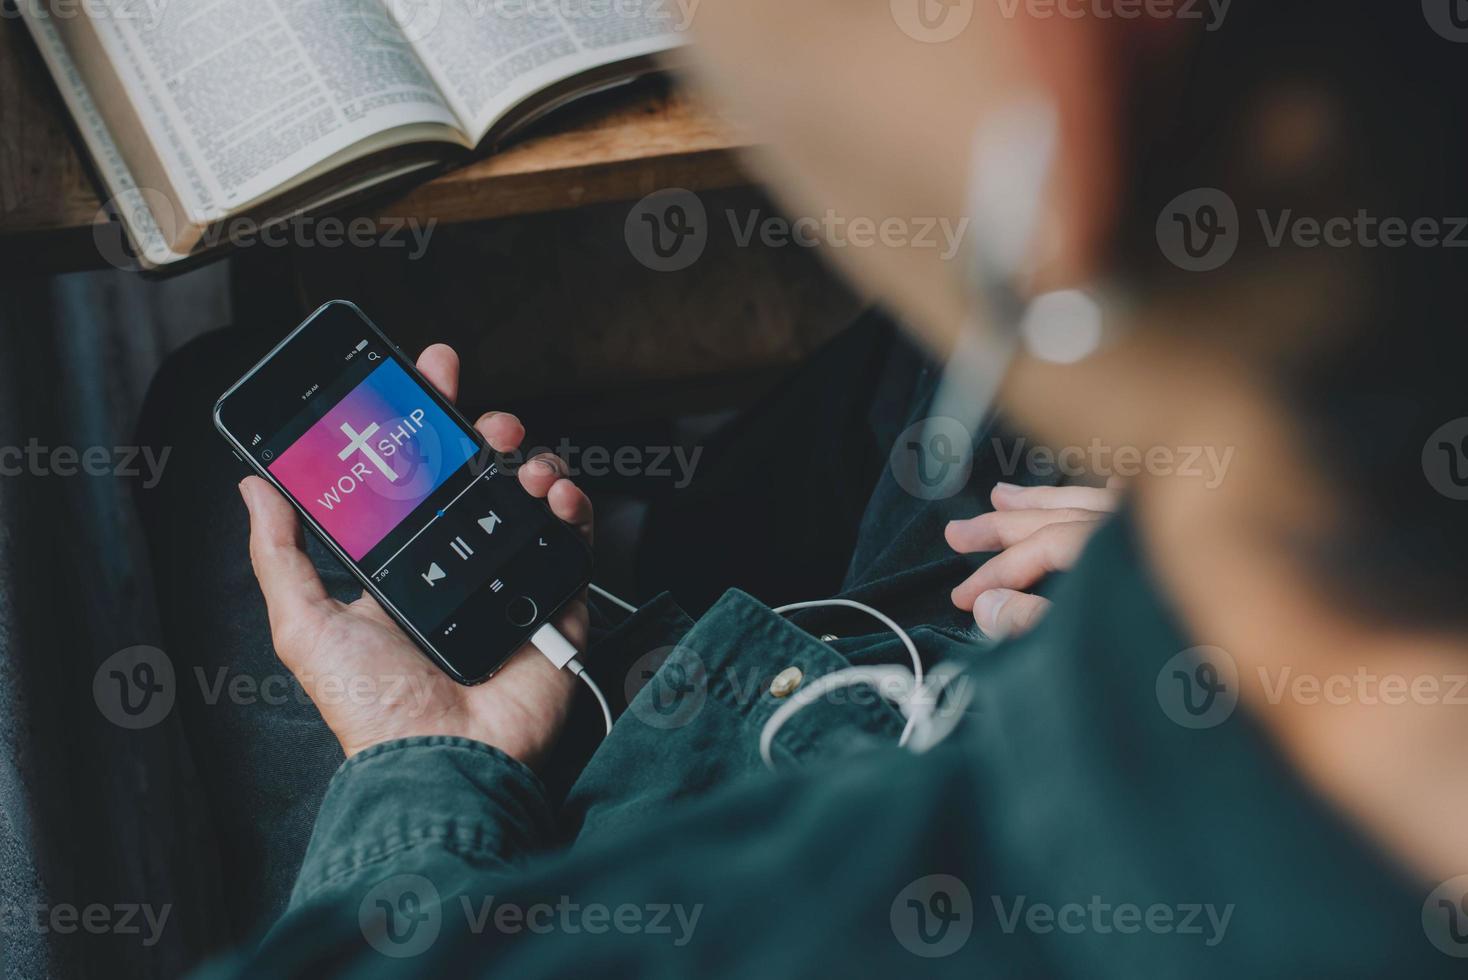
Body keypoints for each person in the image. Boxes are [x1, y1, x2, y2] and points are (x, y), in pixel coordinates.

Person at [152, 2, 1467, 975]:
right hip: (1086, 594)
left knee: (210, 408)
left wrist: (419, 763)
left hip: (725, 749)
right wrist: (1199, 553)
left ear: (1072, 86)